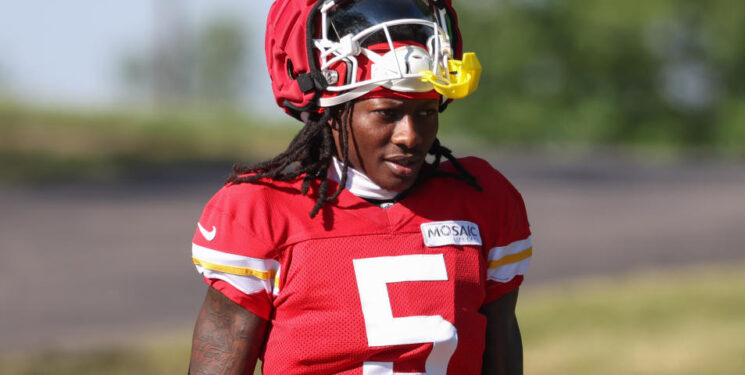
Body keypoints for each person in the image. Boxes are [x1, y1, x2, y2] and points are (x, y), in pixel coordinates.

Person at [188, 0, 532, 374]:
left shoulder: (482, 200)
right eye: (388, 112)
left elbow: (501, 348)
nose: (409, 135)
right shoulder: (265, 209)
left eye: (426, 112)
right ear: (334, 112)